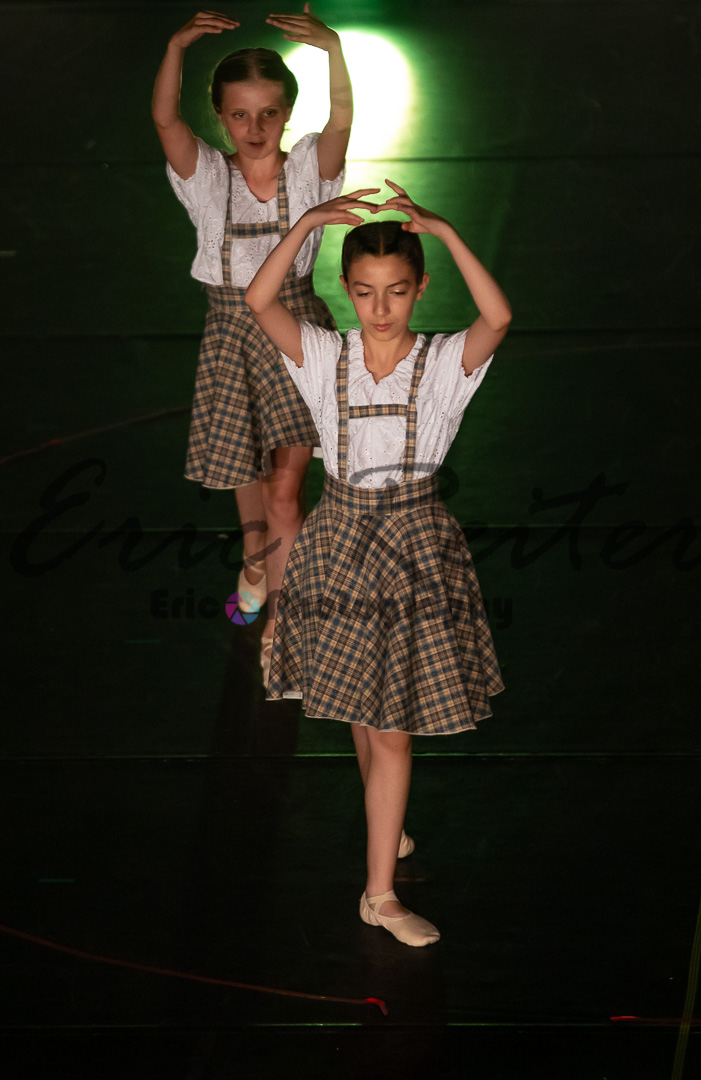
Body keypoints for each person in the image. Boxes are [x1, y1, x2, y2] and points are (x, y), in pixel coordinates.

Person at [245, 180, 512, 946]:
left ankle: (381, 872)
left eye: (396, 290)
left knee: (387, 720)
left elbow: (498, 317)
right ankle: (380, 891)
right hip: (339, 541)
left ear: (420, 287)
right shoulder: (326, 356)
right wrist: (306, 222)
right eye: (363, 292)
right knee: (373, 715)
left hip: (416, 545)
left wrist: (446, 229)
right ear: (345, 288)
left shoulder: (444, 362)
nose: (380, 307)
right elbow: (260, 302)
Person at [151, 6, 352, 684]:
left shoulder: (307, 170)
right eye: (240, 115)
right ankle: (256, 558)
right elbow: (164, 121)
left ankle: (283, 626)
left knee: (286, 491)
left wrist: (333, 50)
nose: (256, 127)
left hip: (294, 331)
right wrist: (176, 45)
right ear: (220, 115)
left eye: (269, 113)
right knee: (247, 467)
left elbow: (341, 123)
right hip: (231, 329)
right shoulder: (207, 177)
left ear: (287, 114)